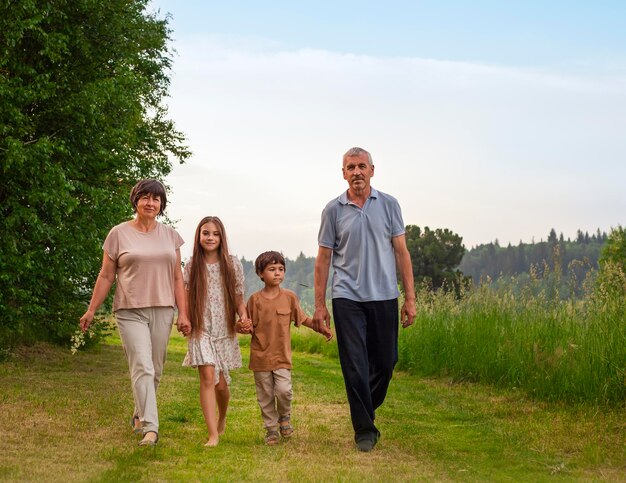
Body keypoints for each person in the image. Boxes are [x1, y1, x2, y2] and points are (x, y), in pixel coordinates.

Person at [313, 147, 416, 452]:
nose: (356, 172)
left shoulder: (389, 205)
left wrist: (409, 298)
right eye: (350, 167)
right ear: (343, 173)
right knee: (355, 365)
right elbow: (323, 259)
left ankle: (364, 406)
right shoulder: (333, 210)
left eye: (361, 166)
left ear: (373, 169)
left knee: (387, 362)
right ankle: (364, 430)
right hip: (347, 297)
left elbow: (401, 252)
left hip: (384, 295)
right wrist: (320, 305)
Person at [79, 179, 191, 447]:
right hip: (129, 310)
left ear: (161, 204)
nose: (150, 203)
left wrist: (183, 313)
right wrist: (92, 309)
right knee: (142, 365)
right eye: (145, 198)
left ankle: (140, 412)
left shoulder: (171, 236)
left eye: (156, 199)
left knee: (156, 369)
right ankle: (151, 428)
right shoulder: (118, 234)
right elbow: (106, 275)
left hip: (163, 309)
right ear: (136, 201)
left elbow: (178, 277)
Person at [238, 251, 332, 445]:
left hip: (282, 357)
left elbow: (304, 319)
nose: (277, 273)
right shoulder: (254, 300)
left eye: (281, 269)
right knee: (265, 396)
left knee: (284, 391)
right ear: (260, 274)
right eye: (272, 269)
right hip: (261, 357)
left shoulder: (289, 298)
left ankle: (284, 417)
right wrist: (241, 327)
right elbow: (246, 327)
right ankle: (271, 430)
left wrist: (320, 329)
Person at [182, 216, 249, 447]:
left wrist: (244, 317)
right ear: (198, 236)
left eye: (215, 234)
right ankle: (212, 434)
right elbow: (187, 296)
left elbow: (239, 297)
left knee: (221, 385)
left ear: (222, 237)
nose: (210, 237)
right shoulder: (191, 265)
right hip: (201, 329)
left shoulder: (231, 263)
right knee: (208, 377)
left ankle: (223, 416)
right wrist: (185, 319)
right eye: (205, 233)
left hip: (224, 329)